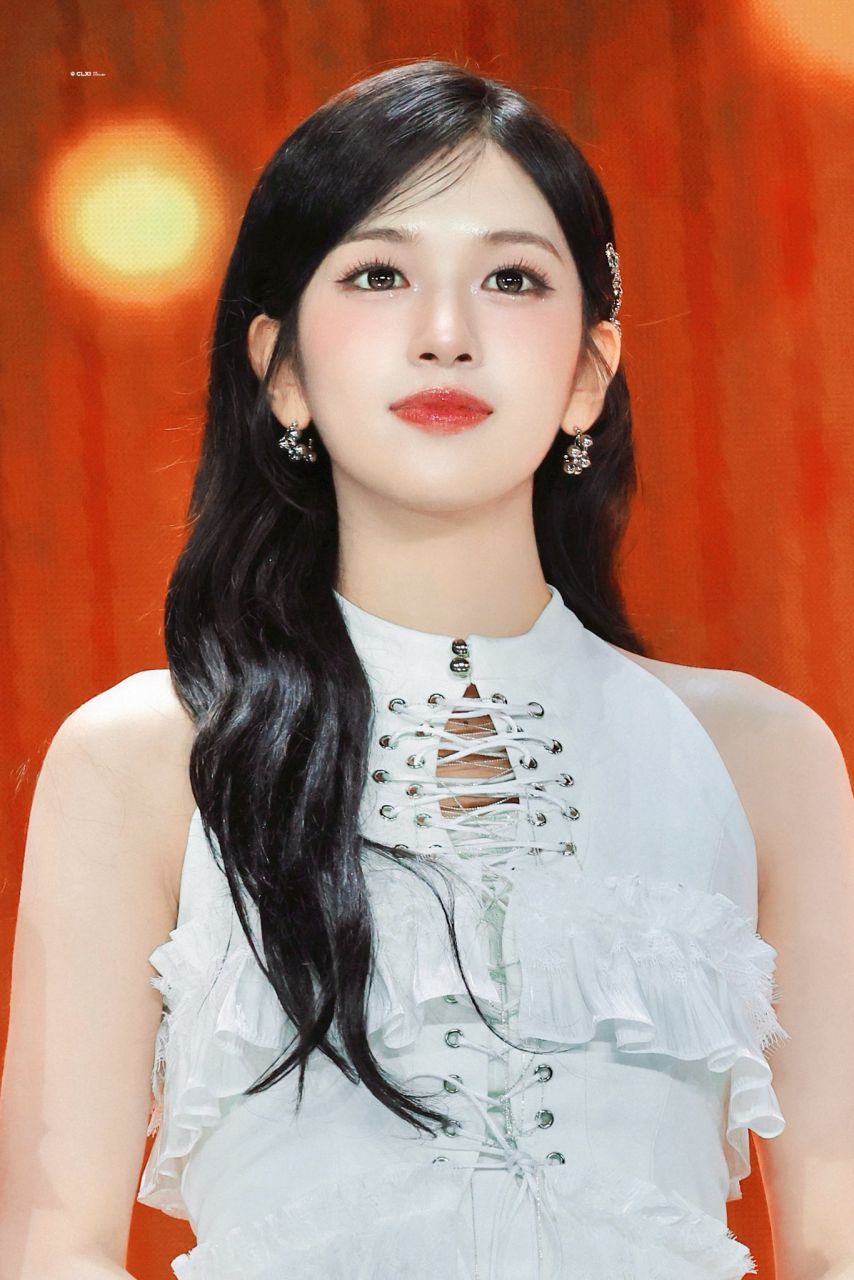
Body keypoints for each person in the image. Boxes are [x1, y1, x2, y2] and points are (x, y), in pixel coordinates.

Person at [2, 56, 853, 1280]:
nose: (445, 335)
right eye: (377, 274)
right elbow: (50, 1247)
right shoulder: (144, 758)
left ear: (586, 373)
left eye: (510, 279)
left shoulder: (762, 757)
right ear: (281, 367)